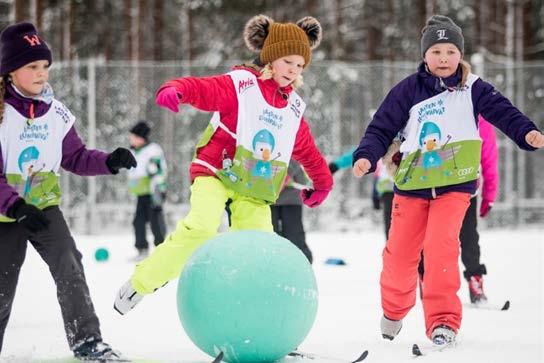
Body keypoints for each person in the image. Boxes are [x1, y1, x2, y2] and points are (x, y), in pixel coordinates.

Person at [114, 15, 333, 315]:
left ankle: (261, 320)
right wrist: (177, 88)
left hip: (253, 187)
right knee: (202, 227)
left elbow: (307, 149)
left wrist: (323, 182)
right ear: (270, 58)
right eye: (287, 62)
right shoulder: (242, 85)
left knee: (261, 247)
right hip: (215, 171)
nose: (293, 70)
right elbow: (206, 89)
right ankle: (141, 283)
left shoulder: (292, 109)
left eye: (299, 65)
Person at [352, 15, 543, 346]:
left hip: (456, 187)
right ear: (425, 55)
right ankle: (394, 309)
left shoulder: (474, 88)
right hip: (411, 187)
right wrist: (366, 156)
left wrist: (526, 132)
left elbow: (504, 112)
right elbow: (381, 127)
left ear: (461, 55)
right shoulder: (408, 90)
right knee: (399, 256)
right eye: (436, 51)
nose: (443, 58)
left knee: (440, 250)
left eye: (451, 51)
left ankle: (443, 322)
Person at [0, 23, 136, 359]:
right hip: (6, 215)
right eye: (32, 66)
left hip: (43, 208)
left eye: (44, 66)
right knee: (2, 289)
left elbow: (74, 156)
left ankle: (88, 342)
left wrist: (109, 161)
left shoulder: (55, 112)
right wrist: (16, 207)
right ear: (9, 71)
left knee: (70, 265)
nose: (41, 73)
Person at [417, 115, 499, 304]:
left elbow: (488, 158)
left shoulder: (481, 119)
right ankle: (426, 279)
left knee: (468, 237)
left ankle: (475, 281)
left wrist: (489, 195)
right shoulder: (434, 110)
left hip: (466, 189)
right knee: (428, 238)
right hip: (431, 188)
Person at [127, 121, 168, 261]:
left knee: (155, 220)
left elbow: (157, 170)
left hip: (153, 191)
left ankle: (161, 249)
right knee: (138, 221)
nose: (130, 139)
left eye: (132, 136)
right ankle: (142, 249)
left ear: (140, 137)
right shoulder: (133, 151)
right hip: (140, 192)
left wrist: (159, 187)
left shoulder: (152, 150)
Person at [271, 160, 313, 263]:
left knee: (294, 237)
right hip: (268, 198)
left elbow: (296, 157)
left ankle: (303, 264)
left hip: (291, 198)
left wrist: (287, 173)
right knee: (270, 236)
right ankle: (272, 266)